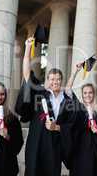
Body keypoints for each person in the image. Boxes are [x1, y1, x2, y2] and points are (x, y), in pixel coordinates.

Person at [15, 37, 75, 176]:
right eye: (52, 79)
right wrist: (28, 48)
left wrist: (57, 127)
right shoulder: (40, 93)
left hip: (54, 144)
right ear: (47, 81)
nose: (55, 81)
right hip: (36, 140)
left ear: (61, 81)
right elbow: (26, 73)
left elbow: (71, 124)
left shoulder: (66, 100)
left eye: (58, 79)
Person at [66, 64, 97, 176]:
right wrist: (75, 72)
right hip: (79, 152)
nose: (88, 95)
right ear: (82, 95)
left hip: (94, 154)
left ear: (94, 94)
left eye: (90, 92)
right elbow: (68, 90)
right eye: (85, 93)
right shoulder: (78, 109)